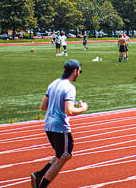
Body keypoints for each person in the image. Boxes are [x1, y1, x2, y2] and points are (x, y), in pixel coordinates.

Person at [30, 59, 88, 188]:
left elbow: (43, 106)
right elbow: (69, 111)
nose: (79, 73)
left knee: (61, 155)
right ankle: (41, 182)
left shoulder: (54, 83)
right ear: (75, 71)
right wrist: (83, 108)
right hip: (60, 126)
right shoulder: (69, 88)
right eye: (79, 71)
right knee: (64, 157)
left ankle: (39, 174)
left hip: (48, 125)